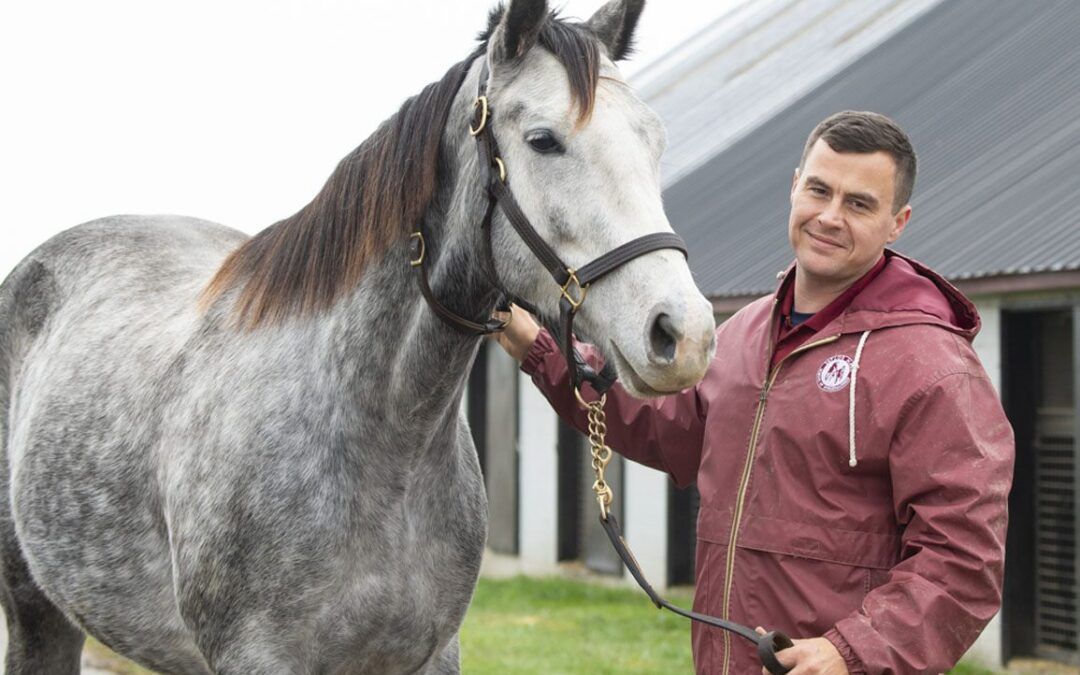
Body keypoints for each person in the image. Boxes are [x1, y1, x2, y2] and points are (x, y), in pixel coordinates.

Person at [493, 111, 1014, 674]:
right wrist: (536, 346)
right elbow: (663, 424)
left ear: (897, 223)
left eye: (859, 204)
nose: (830, 216)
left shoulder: (932, 366)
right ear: (794, 187)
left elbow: (962, 561)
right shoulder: (744, 332)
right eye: (819, 190)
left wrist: (850, 651)